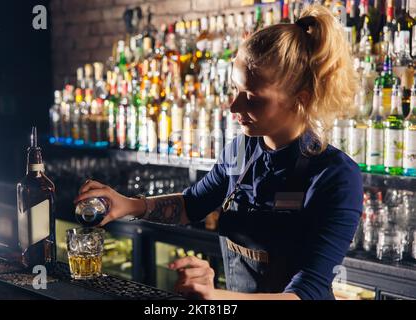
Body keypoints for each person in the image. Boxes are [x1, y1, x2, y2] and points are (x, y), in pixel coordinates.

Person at [75, 4, 362, 300]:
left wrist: (216, 298)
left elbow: (308, 293)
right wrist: (127, 205)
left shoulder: (336, 177)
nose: (234, 106)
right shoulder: (240, 151)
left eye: (251, 97)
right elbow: (192, 205)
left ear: (298, 100)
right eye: (235, 90)